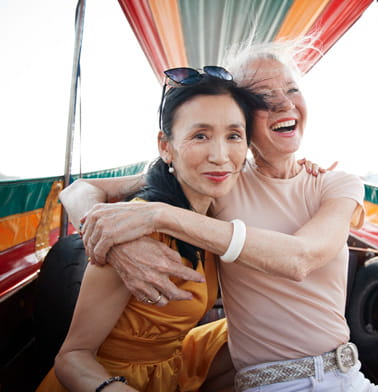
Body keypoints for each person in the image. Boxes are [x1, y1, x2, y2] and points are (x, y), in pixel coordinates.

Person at [61, 41, 378, 391]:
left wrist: (159, 217)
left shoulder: (336, 184)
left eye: (292, 89)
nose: (284, 103)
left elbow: (301, 258)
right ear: (245, 119)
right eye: (264, 98)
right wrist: (113, 243)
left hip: (350, 374)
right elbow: (77, 191)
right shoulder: (217, 183)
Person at [37, 67, 267, 392]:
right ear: (165, 146)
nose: (220, 156)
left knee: (267, 329)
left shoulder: (217, 212)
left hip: (170, 367)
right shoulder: (135, 228)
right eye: (200, 135)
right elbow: (72, 357)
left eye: (233, 135)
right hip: (106, 381)